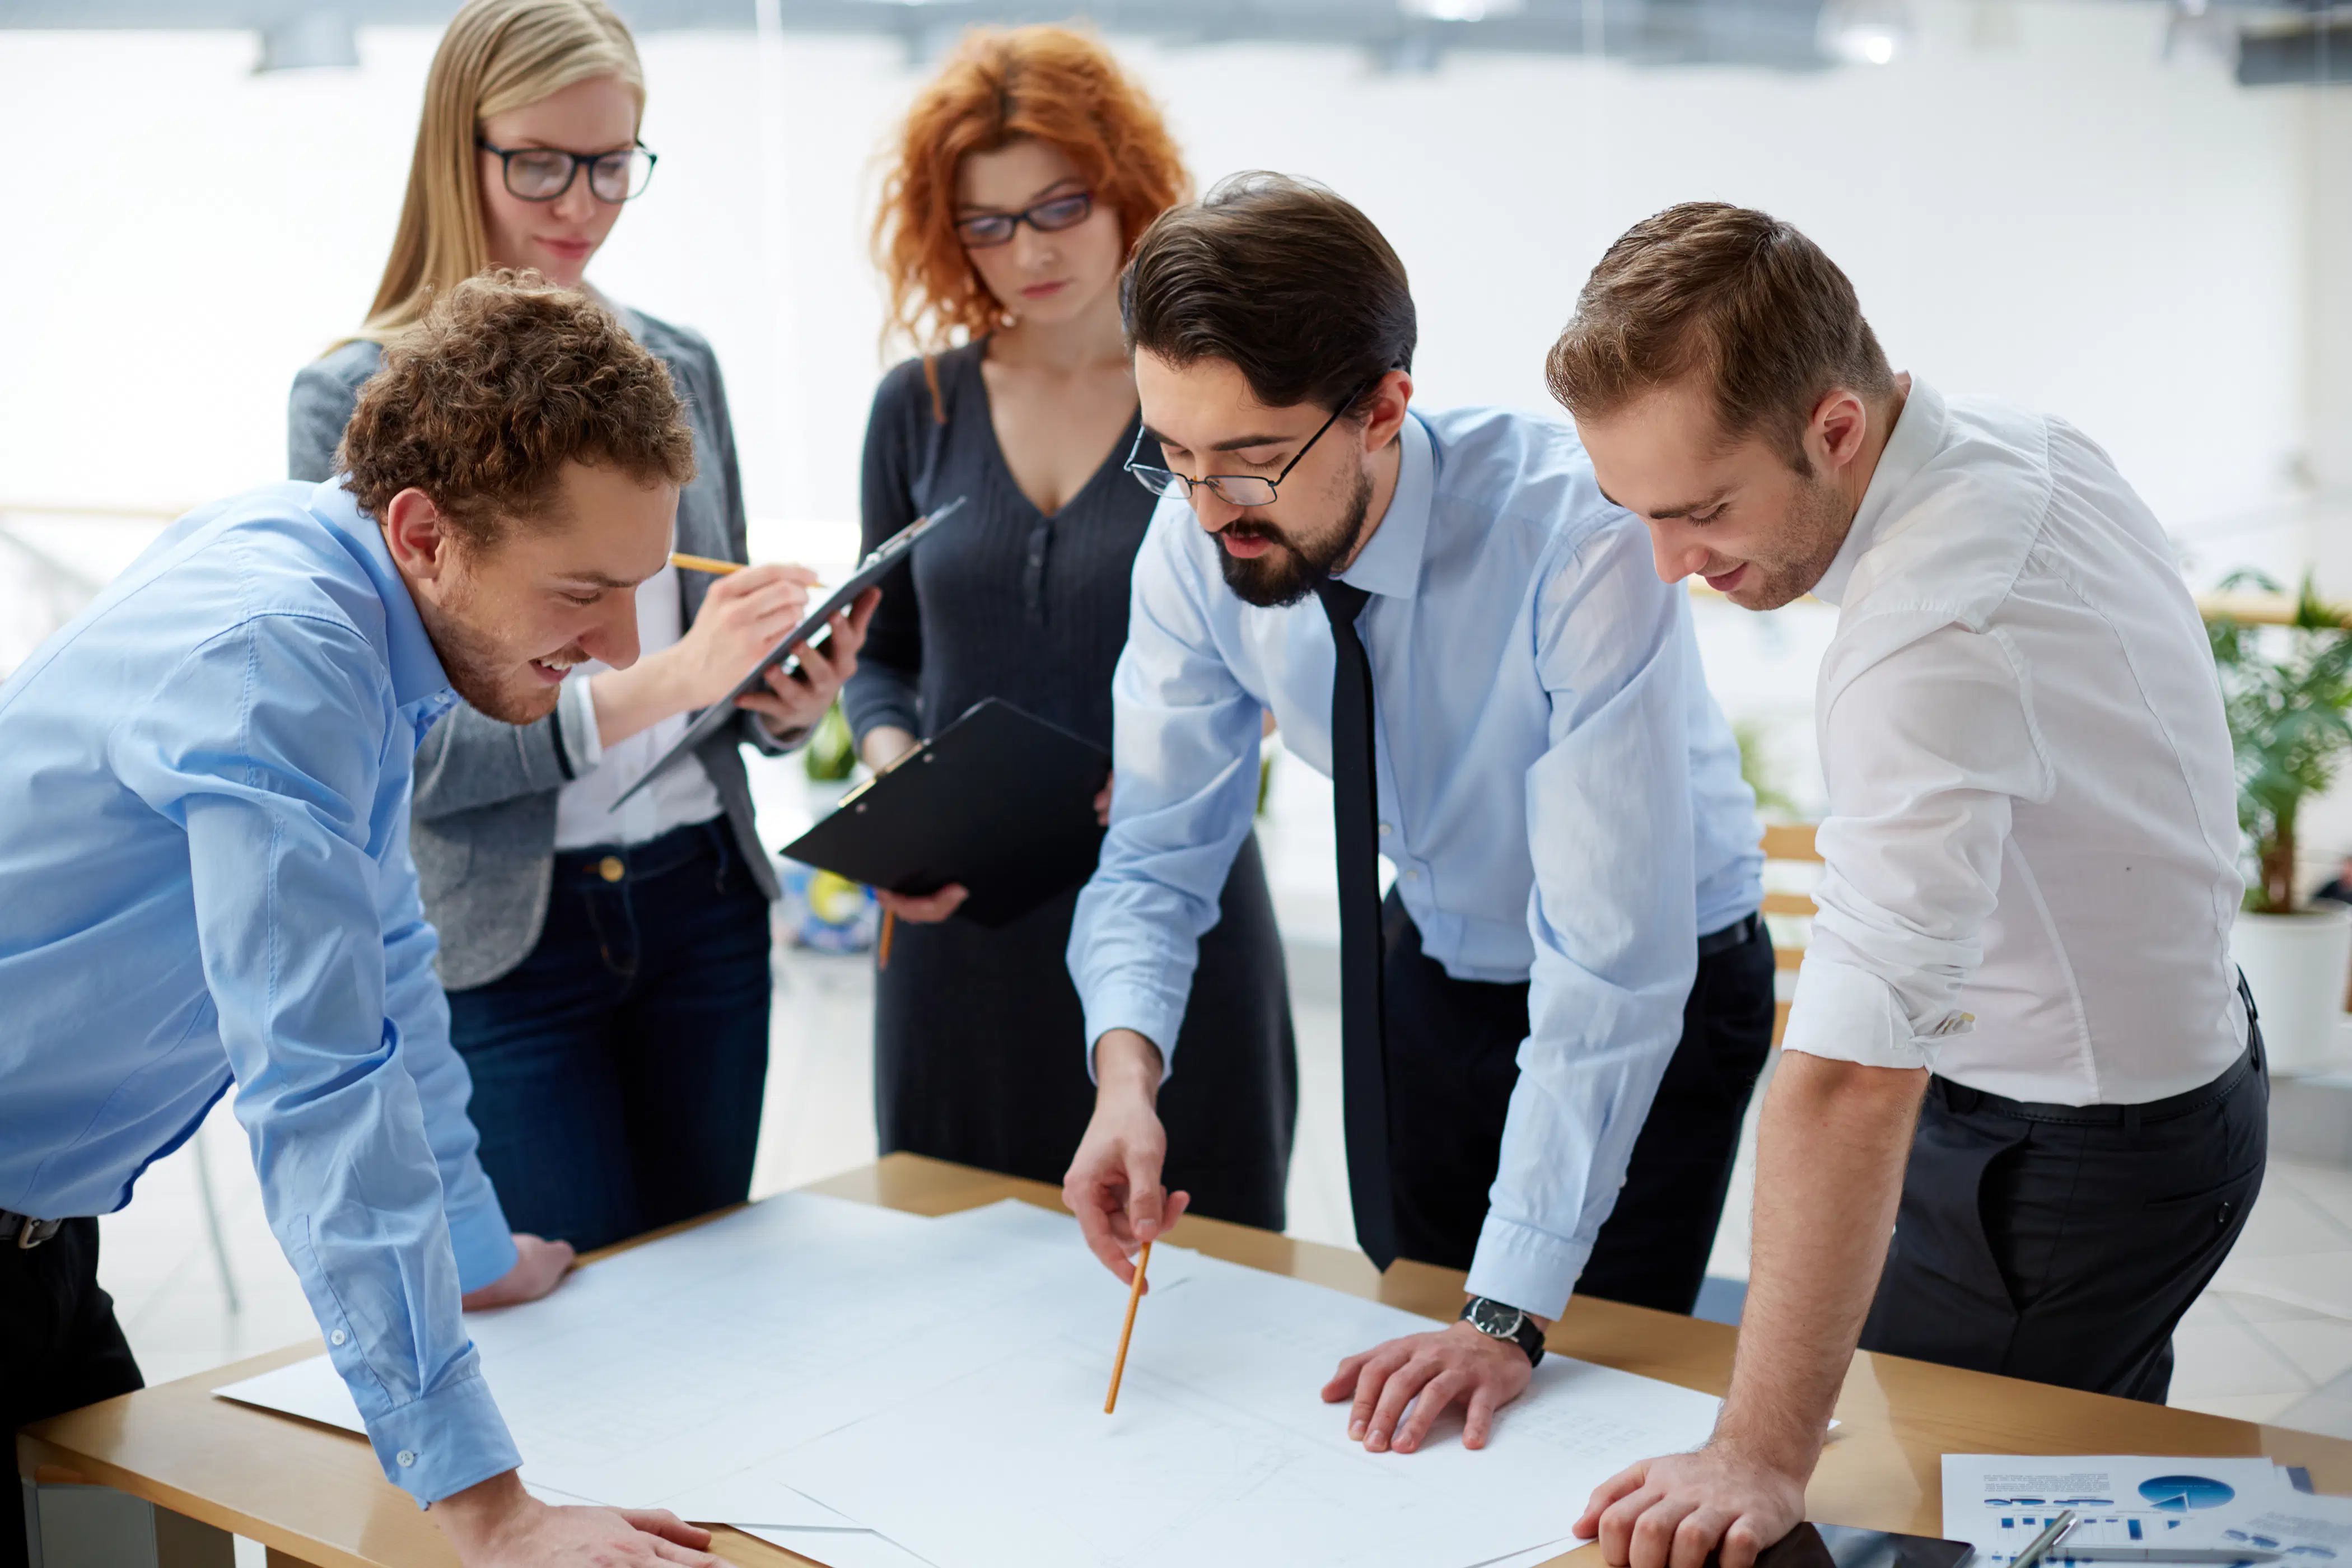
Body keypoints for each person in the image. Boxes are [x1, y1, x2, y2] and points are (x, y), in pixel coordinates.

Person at [1, 274, 754, 1567]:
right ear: (424, 531)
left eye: (639, 587)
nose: (626, 647)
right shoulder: (280, 656)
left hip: (38, 1233)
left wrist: (467, 1246)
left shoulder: (346, 586)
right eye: (583, 590)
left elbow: (393, 957)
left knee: (128, 1536)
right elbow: (316, 1082)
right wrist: (489, 1508)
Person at [1552, 204, 2264, 1568]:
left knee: (1909, 1522)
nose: (1672, 566)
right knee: (2063, 1500)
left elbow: (1847, 1080)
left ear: (1833, 427)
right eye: (1636, 510)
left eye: (1702, 509)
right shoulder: (2018, 438)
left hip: (2068, 1158)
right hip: (2174, 1079)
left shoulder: (1930, 631)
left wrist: (1755, 1452)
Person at [1060, 172, 1772, 1457]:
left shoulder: (1576, 534)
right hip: (1435, 950)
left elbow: (1612, 958)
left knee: (1579, 1389)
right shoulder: (1197, 535)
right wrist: (1128, 1077)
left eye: (1251, 459)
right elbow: (1160, 850)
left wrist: (1508, 1311)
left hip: (1663, 983)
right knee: (1413, 1354)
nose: (1212, 503)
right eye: (1171, 454)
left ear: (1384, 406)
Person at [288, 0, 854, 1254]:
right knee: (573, 1324)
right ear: (458, 149)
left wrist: (778, 697)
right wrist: (671, 678)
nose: (582, 205)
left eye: (614, 165)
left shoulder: (678, 363)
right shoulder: (354, 399)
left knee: (712, 1293)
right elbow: (415, 758)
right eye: (541, 162)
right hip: (507, 933)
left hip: (703, 896)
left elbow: (712, 664)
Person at [844, 27, 1296, 1225]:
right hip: (959, 923)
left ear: (1126, 192)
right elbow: (879, 656)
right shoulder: (919, 408)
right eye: (988, 223)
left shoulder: (1205, 406)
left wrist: (1169, 770)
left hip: (1177, 902)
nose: (1028, 250)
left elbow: (1289, 639)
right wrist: (904, 779)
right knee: (954, 1283)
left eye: (1059, 207)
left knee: (1206, 1279)